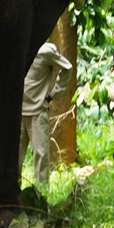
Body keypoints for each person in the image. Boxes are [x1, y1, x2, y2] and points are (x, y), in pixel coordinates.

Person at [18, 42, 73, 185]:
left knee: (41, 155)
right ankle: (13, 191)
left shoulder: (45, 51)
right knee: (14, 157)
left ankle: (40, 192)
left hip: (37, 111)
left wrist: (55, 93)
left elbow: (67, 68)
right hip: (17, 112)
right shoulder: (18, 46)